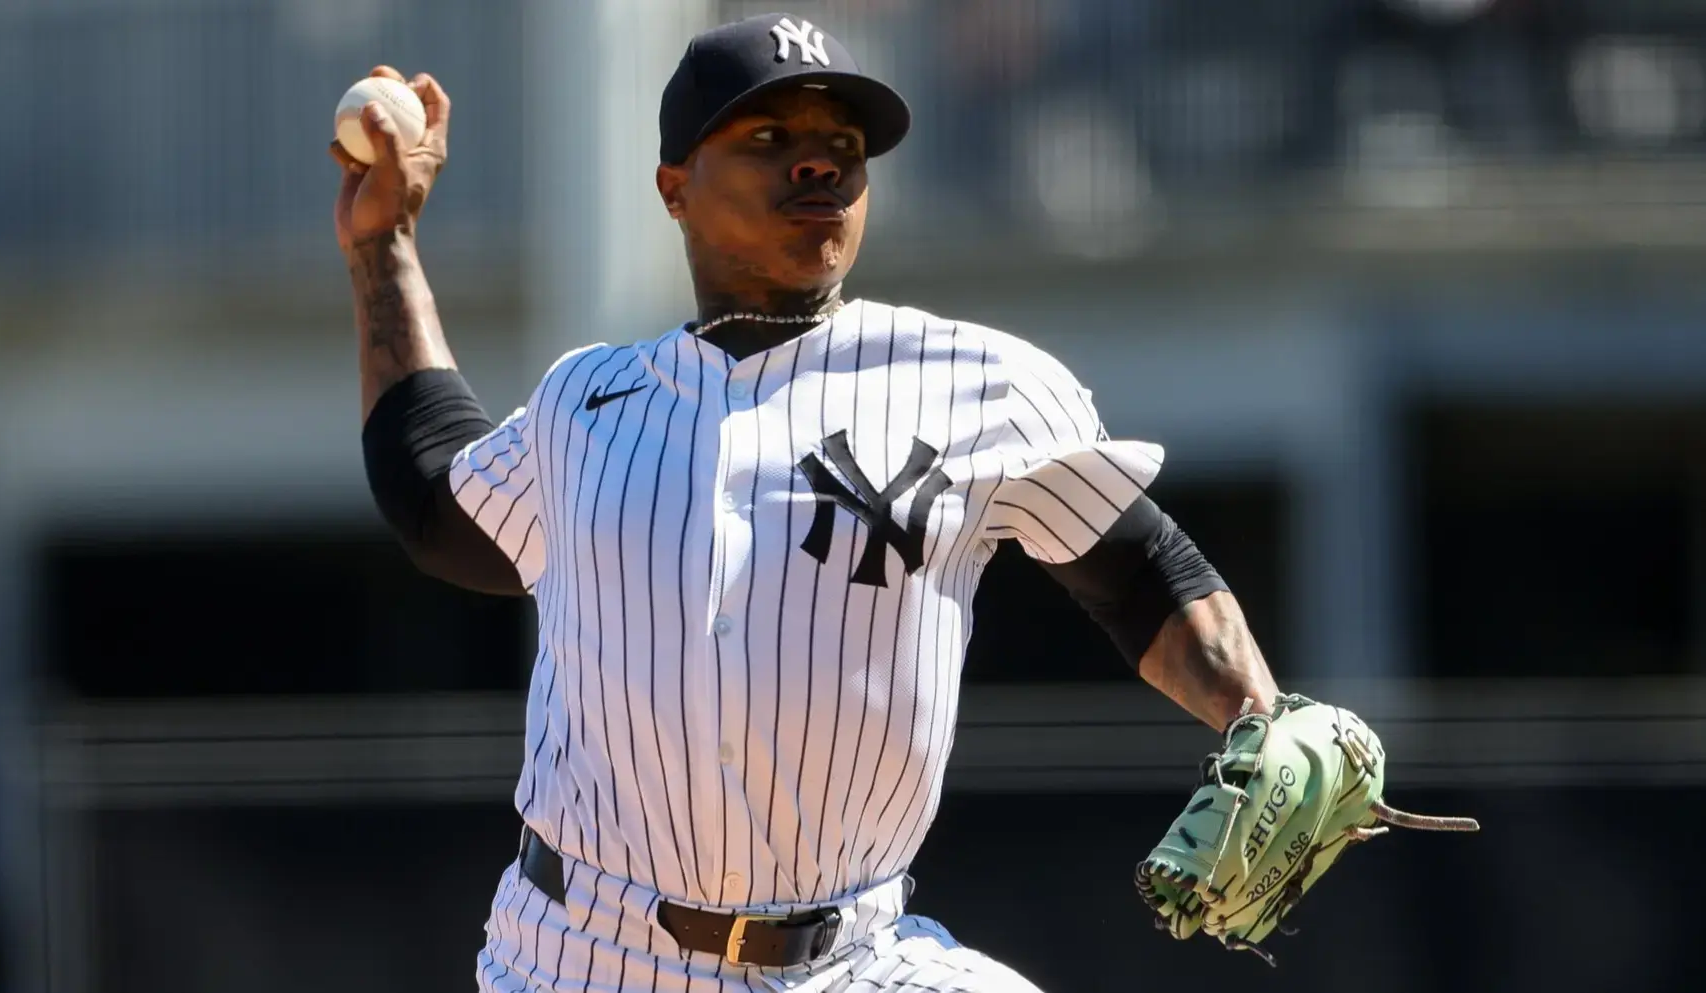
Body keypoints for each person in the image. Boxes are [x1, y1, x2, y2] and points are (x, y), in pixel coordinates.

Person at [330, 12, 1281, 992]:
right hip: (585, 955)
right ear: (673, 188)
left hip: (852, 960)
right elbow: (436, 501)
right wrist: (383, 246)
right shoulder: (589, 401)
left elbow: (1142, 576)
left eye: (842, 147)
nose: (818, 166)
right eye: (769, 139)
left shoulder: (979, 384)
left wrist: (1263, 716)